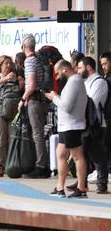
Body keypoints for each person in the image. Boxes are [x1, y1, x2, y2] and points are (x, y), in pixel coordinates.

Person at [46, 60, 88, 198]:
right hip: (67, 126)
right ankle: (60, 187)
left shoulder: (74, 82)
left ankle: (81, 188)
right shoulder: (74, 81)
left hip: (72, 125)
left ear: (65, 69)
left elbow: (67, 106)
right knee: (61, 154)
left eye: (57, 73)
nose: (57, 77)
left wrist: (54, 97)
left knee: (77, 156)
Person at [18, 34, 51, 178]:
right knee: (40, 134)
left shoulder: (30, 61)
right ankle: (41, 163)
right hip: (44, 100)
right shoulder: (40, 60)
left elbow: (31, 85)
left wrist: (22, 99)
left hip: (34, 101)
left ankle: (41, 166)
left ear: (23, 47)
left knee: (37, 134)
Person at [77, 56, 109, 194]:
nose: (78, 71)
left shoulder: (99, 82)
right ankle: (81, 182)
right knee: (82, 153)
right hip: (85, 123)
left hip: (96, 125)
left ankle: (102, 183)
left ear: (88, 67)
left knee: (97, 154)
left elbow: (92, 102)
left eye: (80, 67)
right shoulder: (85, 82)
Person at [0, 55, 20, 177]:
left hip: (13, 112)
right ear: (0, 65)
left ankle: (11, 164)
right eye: (6, 63)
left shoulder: (15, 77)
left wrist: (19, 81)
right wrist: (5, 79)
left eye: (10, 63)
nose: (8, 65)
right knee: (0, 140)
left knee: (12, 139)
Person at [98, 51, 111, 193]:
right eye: (102, 64)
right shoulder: (104, 78)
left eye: (106, 63)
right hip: (106, 116)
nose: (104, 67)